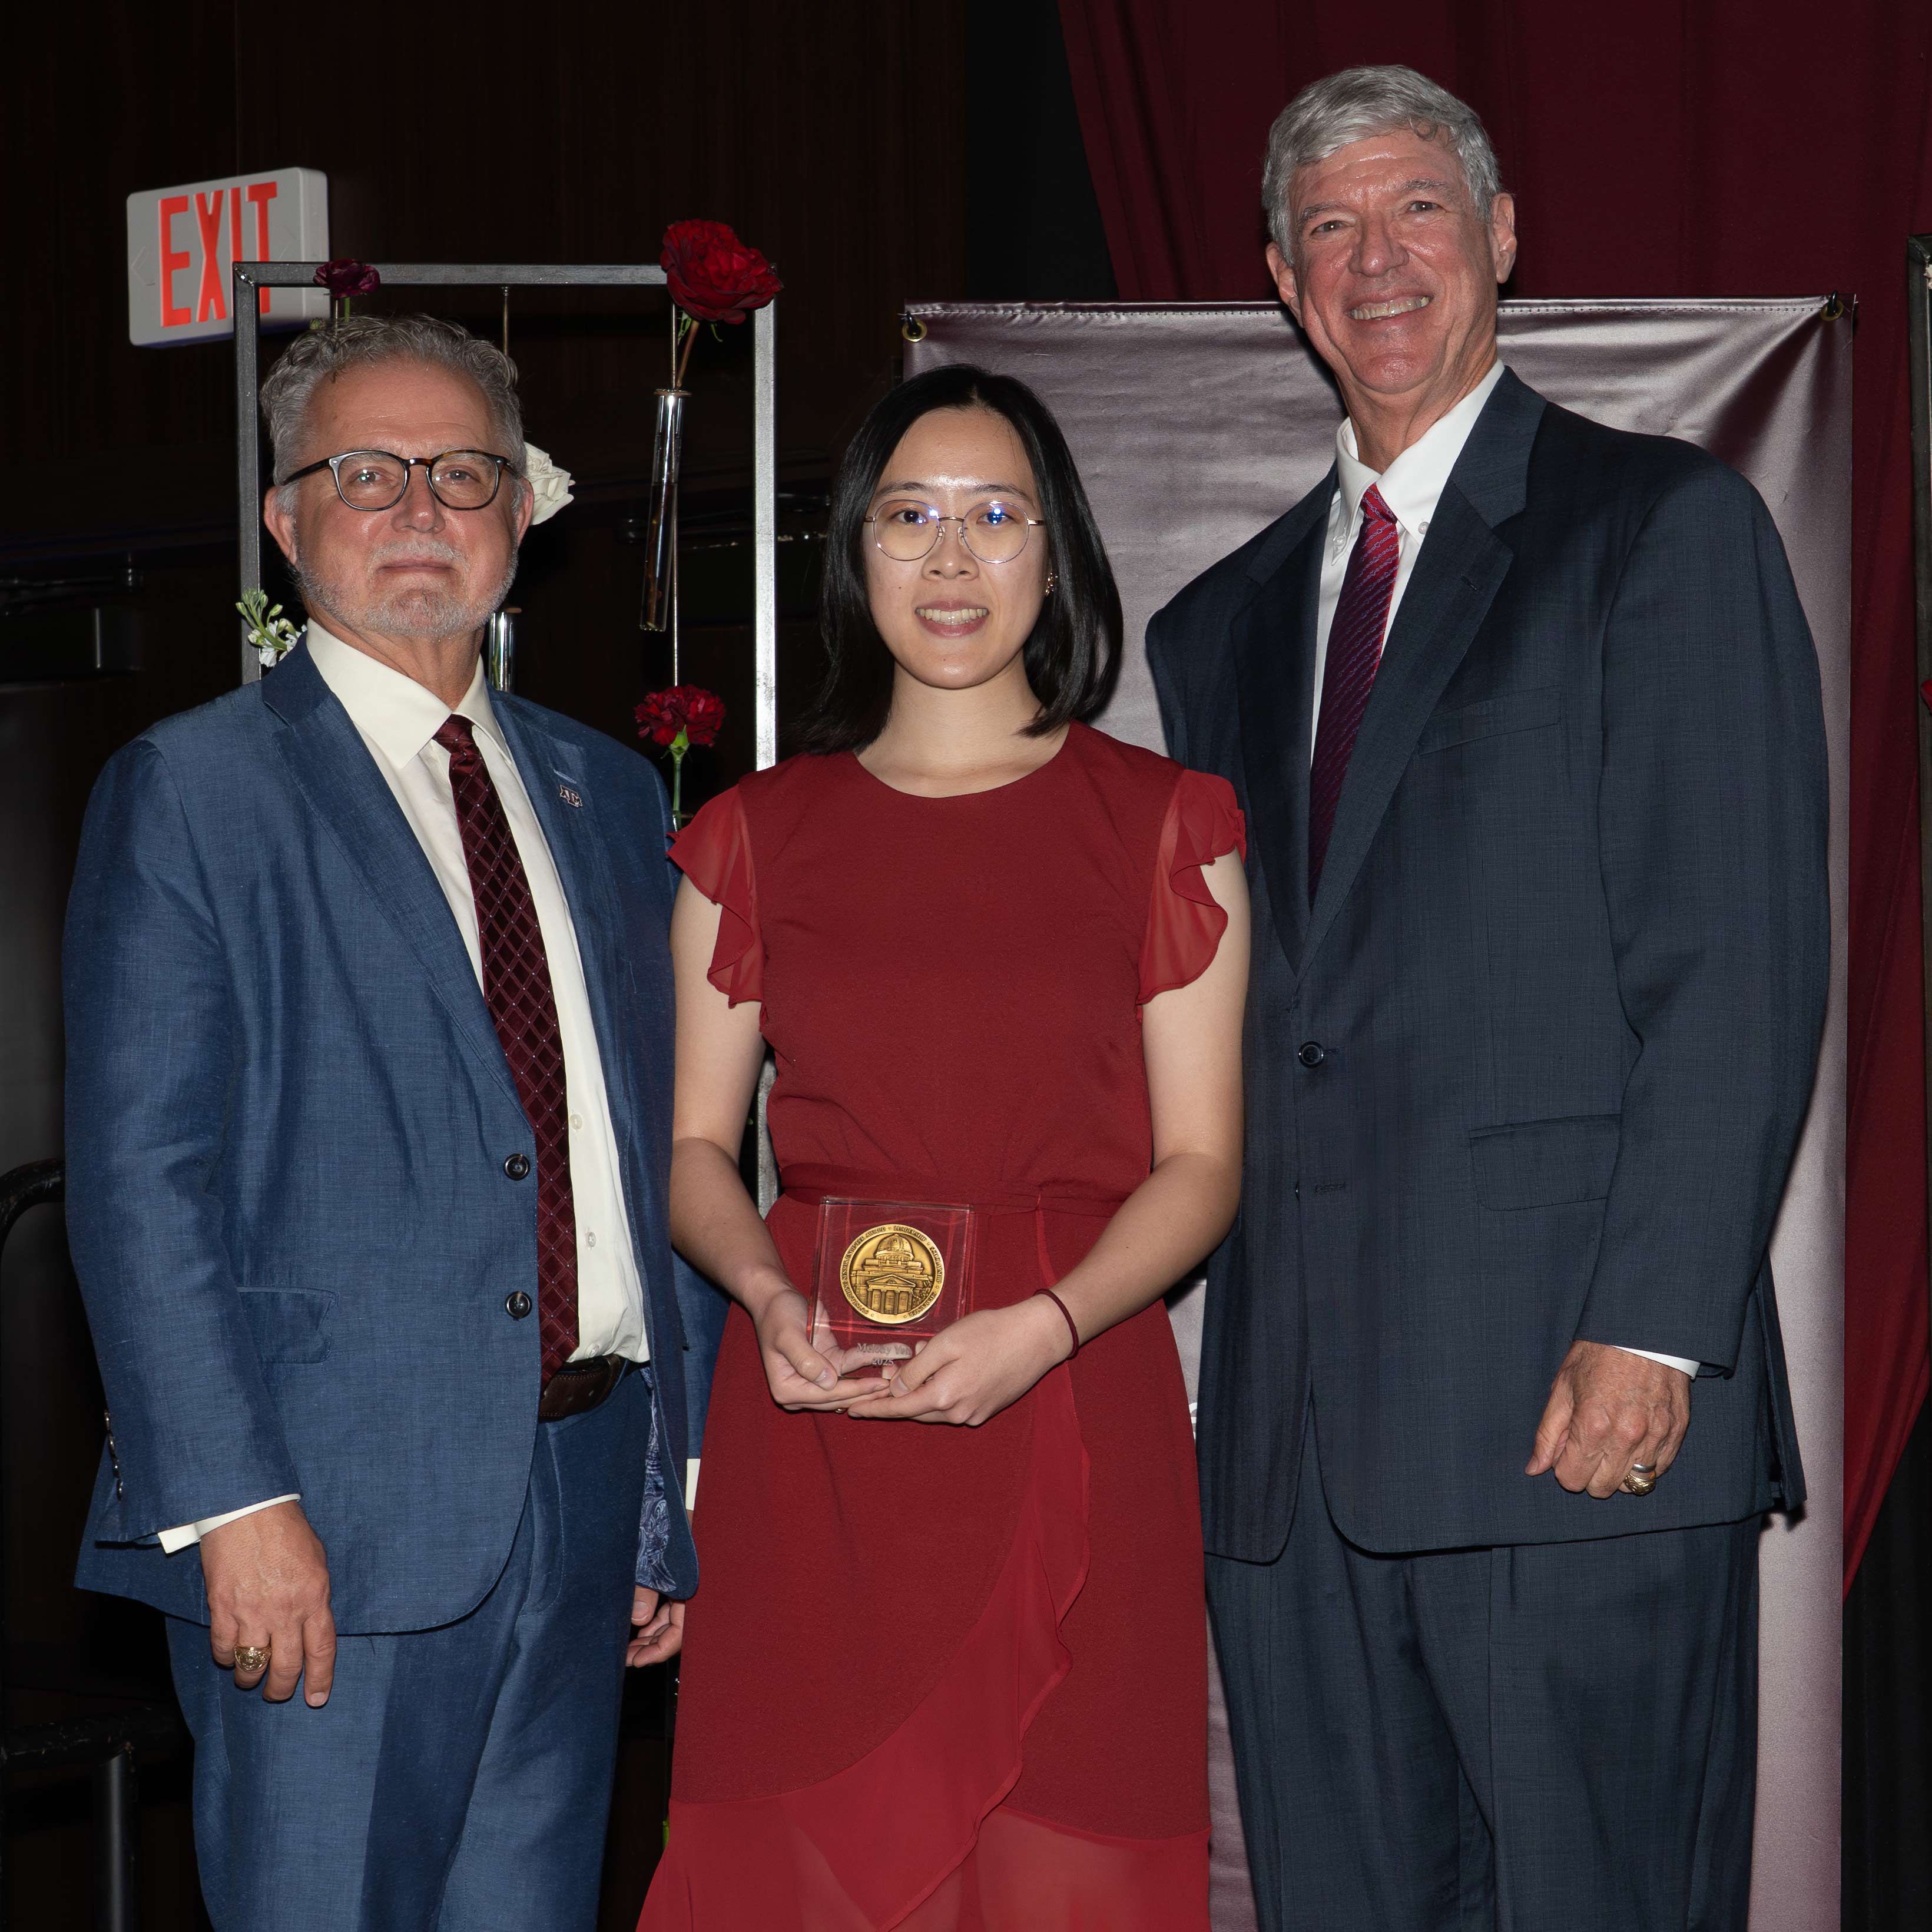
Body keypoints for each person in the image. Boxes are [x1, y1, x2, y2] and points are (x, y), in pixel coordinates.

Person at [1146, 64, 1829, 1932]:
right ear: (1283, 283)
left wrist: (1652, 1325)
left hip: (1571, 1410)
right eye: (1330, 231)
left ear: (1502, 238)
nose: (1376, 261)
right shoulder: (1214, 624)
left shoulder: (1653, 530)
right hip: (1292, 1461)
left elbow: (1738, 958)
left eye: (1417, 210)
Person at [64, 313, 704, 1931]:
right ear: (285, 520)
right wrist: (232, 1505)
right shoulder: (192, 791)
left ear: (519, 513)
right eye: (366, 472)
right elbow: (146, 1185)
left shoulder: (607, 796)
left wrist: (657, 1498)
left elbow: (649, 1148)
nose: (420, 507)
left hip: (578, 1498)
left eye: (463, 471)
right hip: (321, 1526)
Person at [638, 363, 1248, 1928]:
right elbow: (700, 1150)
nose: (952, 557)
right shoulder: (752, 834)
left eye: (995, 516)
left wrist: (1040, 1327)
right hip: (815, 1420)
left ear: (1056, 559)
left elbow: (1200, 1166)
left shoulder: (1166, 821)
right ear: (857, 554)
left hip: (1074, 1385)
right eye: (909, 517)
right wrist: (768, 1298)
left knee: (1064, 1867)